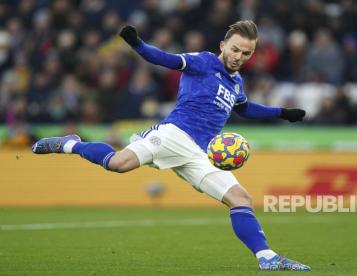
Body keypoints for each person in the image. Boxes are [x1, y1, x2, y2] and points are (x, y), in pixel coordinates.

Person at [32, 21, 310, 271]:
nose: (239, 57)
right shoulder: (203, 62)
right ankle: (71, 144)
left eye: (246, 53)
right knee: (118, 164)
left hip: (202, 153)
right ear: (223, 45)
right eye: (235, 49)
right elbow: (166, 59)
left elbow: (246, 109)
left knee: (241, 199)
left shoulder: (236, 82)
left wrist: (282, 113)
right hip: (174, 134)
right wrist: (136, 44)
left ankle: (267, 258)